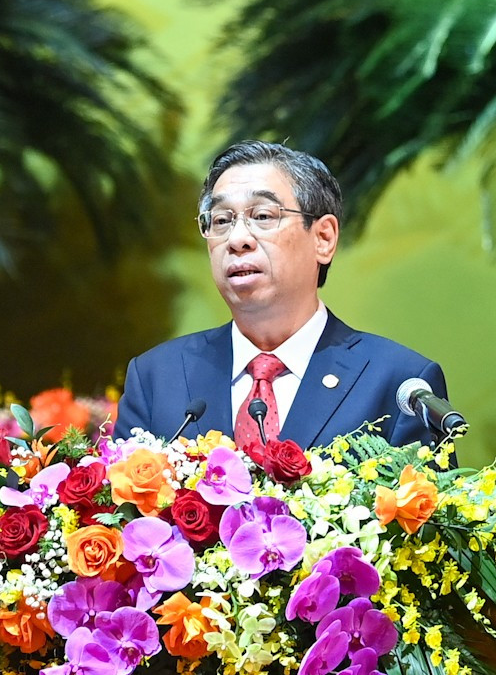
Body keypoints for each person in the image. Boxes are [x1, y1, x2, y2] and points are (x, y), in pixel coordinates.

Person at [116, 140, 447, 452]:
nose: (237, 239)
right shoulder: (156, 378)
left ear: (323, 238)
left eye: (262, 216)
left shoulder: (399, 383)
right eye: (221, 220)